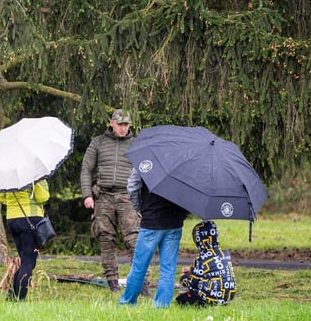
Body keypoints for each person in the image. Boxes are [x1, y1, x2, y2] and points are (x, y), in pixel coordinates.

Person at [80, 108, 140, 292]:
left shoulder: (136, 144)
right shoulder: (98, 142)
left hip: (128, 196)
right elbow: (86, 169)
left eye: (126, 124)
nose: (123, 128)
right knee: (105, 238)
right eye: (120, 124)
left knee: (135, 240)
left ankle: (141, 281)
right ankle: (112, 281)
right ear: (111, 123)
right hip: (104, 196)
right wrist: (87, 195)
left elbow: (145, 171)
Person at [119, 169, 189, 308]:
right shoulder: (186, 159)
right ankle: (162, 306)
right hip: (174, 222)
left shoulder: (148, 155)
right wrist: (183, 213)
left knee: (139, 267)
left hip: (151, 220)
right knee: (168, 269)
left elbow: (132, 185)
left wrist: (140, 208)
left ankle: (127, 302)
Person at [0, 180, 50, 301]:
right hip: (30, 218)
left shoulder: (7, 173)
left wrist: (13, 203)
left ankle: (12, 296)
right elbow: (42, 197)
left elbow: (0, 196)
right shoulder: (34, 172)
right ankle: (20, 298)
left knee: (25, 261)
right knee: (28, 263)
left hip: (12, 219)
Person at [176, 220, 237, 306]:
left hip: (210, 299)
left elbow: (193, 283)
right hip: (227, 299)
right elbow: (214, 271)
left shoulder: (201, 258)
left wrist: (184, 278)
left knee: (181, 299)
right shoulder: (225, 253)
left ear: (197, 240)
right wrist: (191, 272)